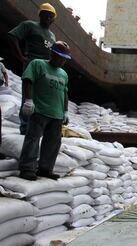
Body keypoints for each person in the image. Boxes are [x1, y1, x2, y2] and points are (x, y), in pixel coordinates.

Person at [18, 41, 71, 181]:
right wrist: (28, 101)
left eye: (65, 58)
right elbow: (27, 80)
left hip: (57, 114)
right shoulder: (38, 64)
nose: (62, 61)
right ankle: (27, 168)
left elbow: (65, 94)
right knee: (33, 140)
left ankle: (45, 169)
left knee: (53, 143)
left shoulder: (64, 74)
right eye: (60, 57)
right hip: (39, 111)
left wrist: (65, 111)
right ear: (52, 54)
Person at [8, 2, 57, 135]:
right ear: (40, 15)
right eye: (45, 15)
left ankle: (38, 127)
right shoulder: (29, 25)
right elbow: (12, 36)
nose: (48, 18)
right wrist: (20, 56)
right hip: (32, 64)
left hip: (45, 68)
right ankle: (25, 128)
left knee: (41, 97)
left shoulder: (52, 35)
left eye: (50, 16)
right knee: (28, 97)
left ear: (53, 19)